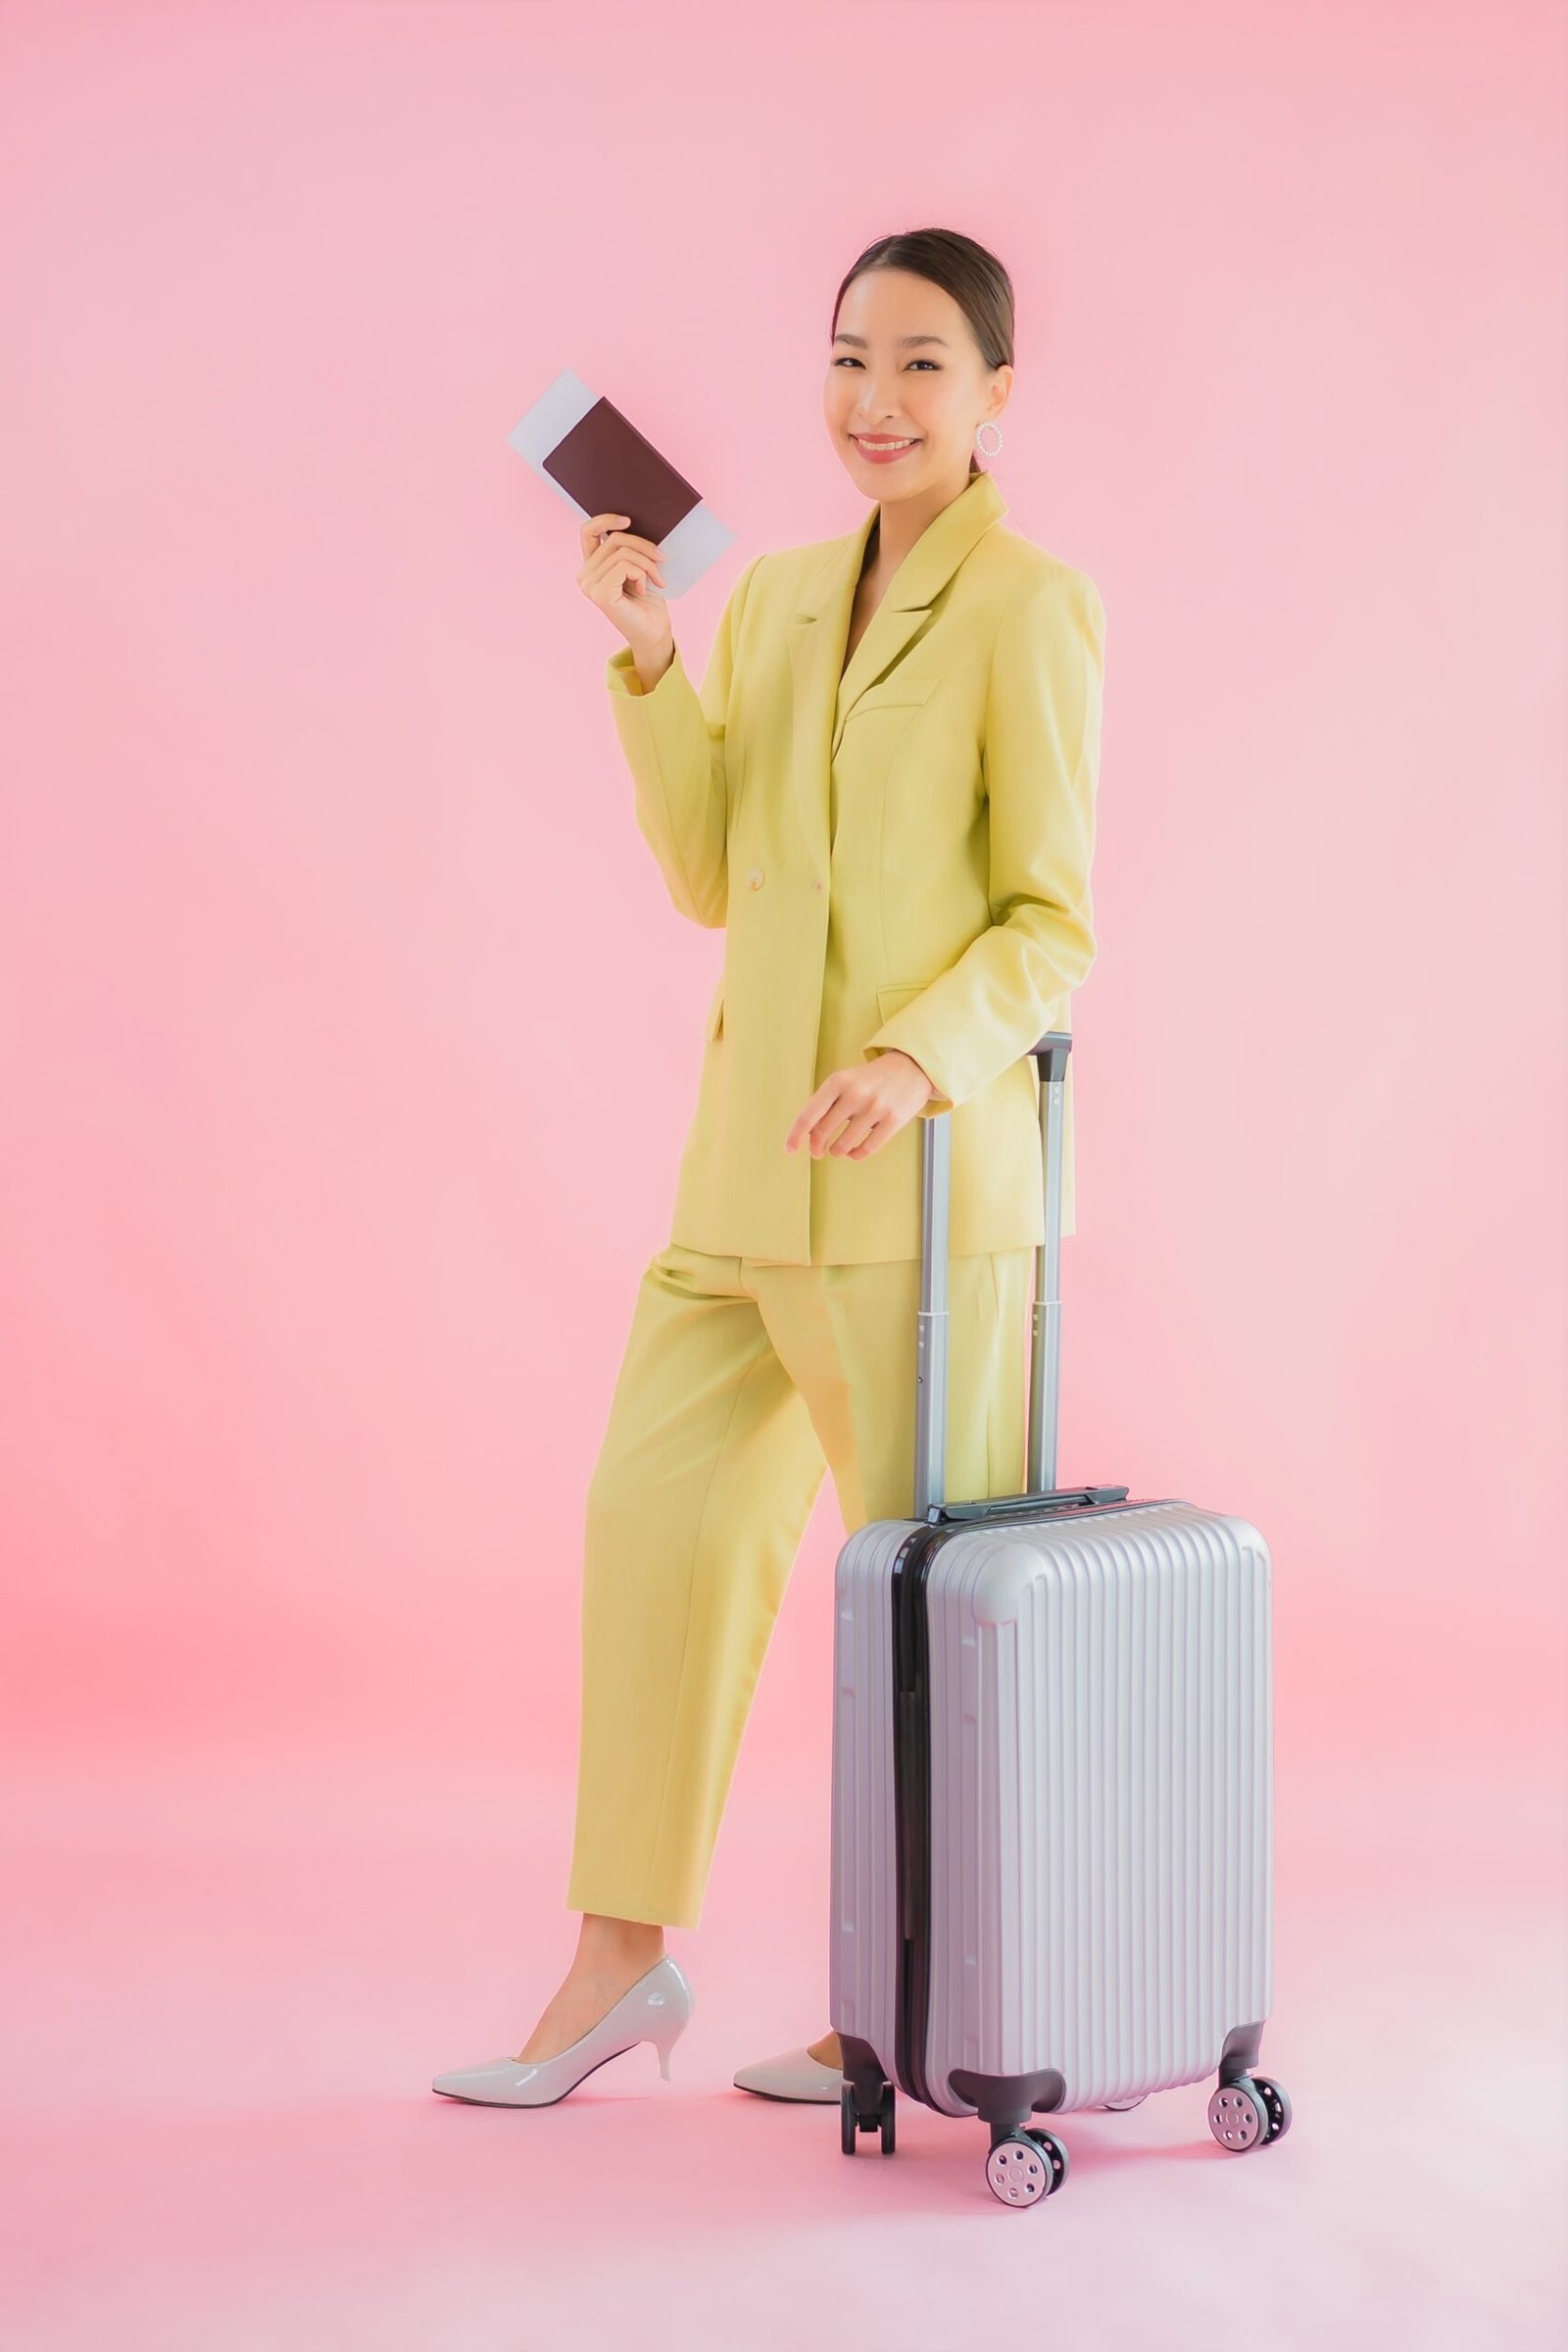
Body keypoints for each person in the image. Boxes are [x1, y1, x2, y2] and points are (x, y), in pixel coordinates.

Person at [432, 226, 1105, 2109]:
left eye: (917, 366)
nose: (874, 402)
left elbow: (1052, 927)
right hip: (743, 1182)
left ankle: (918, 2011)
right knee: (653, 1535)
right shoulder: (786, 594)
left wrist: (918, 1058)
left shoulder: (1031, 607)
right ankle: (617, 1966)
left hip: (921, 1210)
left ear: (992, 395)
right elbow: (715, 875)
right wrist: (652, 661)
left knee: (927, 1615)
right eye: (845, 361)